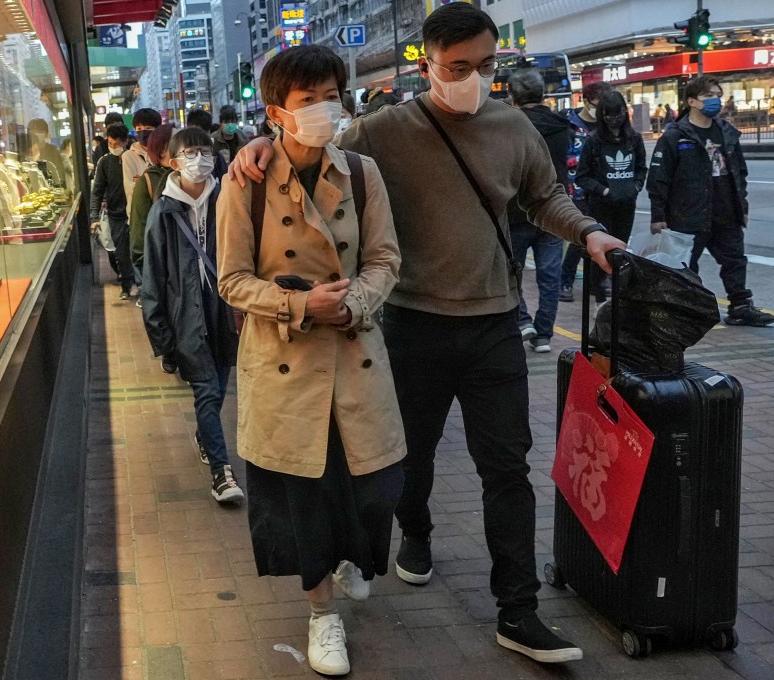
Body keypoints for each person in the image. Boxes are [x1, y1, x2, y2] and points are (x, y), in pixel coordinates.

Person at [228, 3, 628, 664]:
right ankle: (414, 532)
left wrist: (588, 233)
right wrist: (259, 146)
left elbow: (543, 196)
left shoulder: (513, 128)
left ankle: (517, 609)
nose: (473, 78)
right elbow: (312, 150)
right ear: (428, 65)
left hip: (493, 323)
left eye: (486, 64)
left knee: (507, 467)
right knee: (405, 460)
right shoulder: (387, 131)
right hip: (412, 326)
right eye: (458, 67)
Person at [217, 45, 406, 677]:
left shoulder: (361, 173)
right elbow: (231, 281)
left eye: (331, 94)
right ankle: (322, 615)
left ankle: (353, 555)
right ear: (277, 111)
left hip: (355, 350)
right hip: (285, 361)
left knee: (378, 488)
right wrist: (299, 307)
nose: (325, 109)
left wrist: (351, 304)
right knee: (305, 498)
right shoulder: (244, 183)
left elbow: (385, 258)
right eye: (307, 100)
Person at [141, 127, 245, 503]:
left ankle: (205, 434)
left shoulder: (229, 198)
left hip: (225, 309)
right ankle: (222, 473)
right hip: (185, 314)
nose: (198, 160)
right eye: (189, 153)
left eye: (204, 152)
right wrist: (163, 341)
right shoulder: (163, 212)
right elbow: (152, 280)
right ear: (173, 161)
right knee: (206, 388)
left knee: (217, 386)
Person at [648, 76, 774, 327]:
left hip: (726, 210)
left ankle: (740, 306)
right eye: (709, 96)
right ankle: (685, 310)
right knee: (685, 266)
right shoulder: (675, 136)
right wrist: (658, 215)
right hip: (689, 214)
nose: (715, 100)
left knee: (735, 260)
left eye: (718, 94)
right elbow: (659, 178)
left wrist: (743, 207)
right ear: (692, 101)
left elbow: (740, 172)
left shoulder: (726, 132)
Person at [506, 69, 572, 353]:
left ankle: (523, 320)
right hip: (552, 209)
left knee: (512, 273)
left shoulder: (509, 126)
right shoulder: (561, 125)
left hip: (515, 210)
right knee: (550, 276)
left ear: (512, 97)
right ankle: (544, 334)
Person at [576, 89, 646, 308]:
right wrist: (603, 191)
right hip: (601, 206)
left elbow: (641, 169)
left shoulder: (633, 139)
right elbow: (582, 176)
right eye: (609, 114)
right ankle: (599, 299)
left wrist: (635, 187)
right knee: (600, 253)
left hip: (627, 204)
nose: (615, 119)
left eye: (619, 113)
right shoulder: (594, 141)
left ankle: (618, 296)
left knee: (620, 251)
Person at [557, 81, 612, 303]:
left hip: (600, 190)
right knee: (580, 238)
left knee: (602, 235)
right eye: (600, 103)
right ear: (587, 101)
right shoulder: (569, 125)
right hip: (575, 190)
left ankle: (596, 281)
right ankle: (566, 281)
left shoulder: (606, 126)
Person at [130, 124, 176, 314]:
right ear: (161, 149)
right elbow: (139, 231)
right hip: (161, 266)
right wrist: (145, 277)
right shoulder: (147, 181)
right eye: (175, 142)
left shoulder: (191, 177)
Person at [91, 123, 138, 300]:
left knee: (138, 251)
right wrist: (94, 216)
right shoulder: (105, 162)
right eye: (110, 144)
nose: (113, 148)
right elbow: (97, 190)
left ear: (125, 142)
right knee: (122, 253)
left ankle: (140, 285)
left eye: (117, 145)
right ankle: (127, 286)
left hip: (135, 213)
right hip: (116, 214)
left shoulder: (133, 159)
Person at [121, 108, 162, 219]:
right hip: (139, 216)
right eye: (139, 129)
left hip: (162, 215)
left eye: (148, 128)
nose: (143, 132)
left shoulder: (165, 153)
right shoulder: (128, 156)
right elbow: (132, 190)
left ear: (158, 130)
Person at [186, 108, 229, 179]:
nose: (201, 138)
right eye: (196, 132)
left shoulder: (217, 156)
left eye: (205, 133)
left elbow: (224, 178)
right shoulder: (183, 155)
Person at [27, 118, 67, 187]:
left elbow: (60, 176)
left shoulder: (54, 151)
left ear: (47, 134)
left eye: (40, 131)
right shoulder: (26, 151)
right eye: (33, 131)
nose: (36, 134)